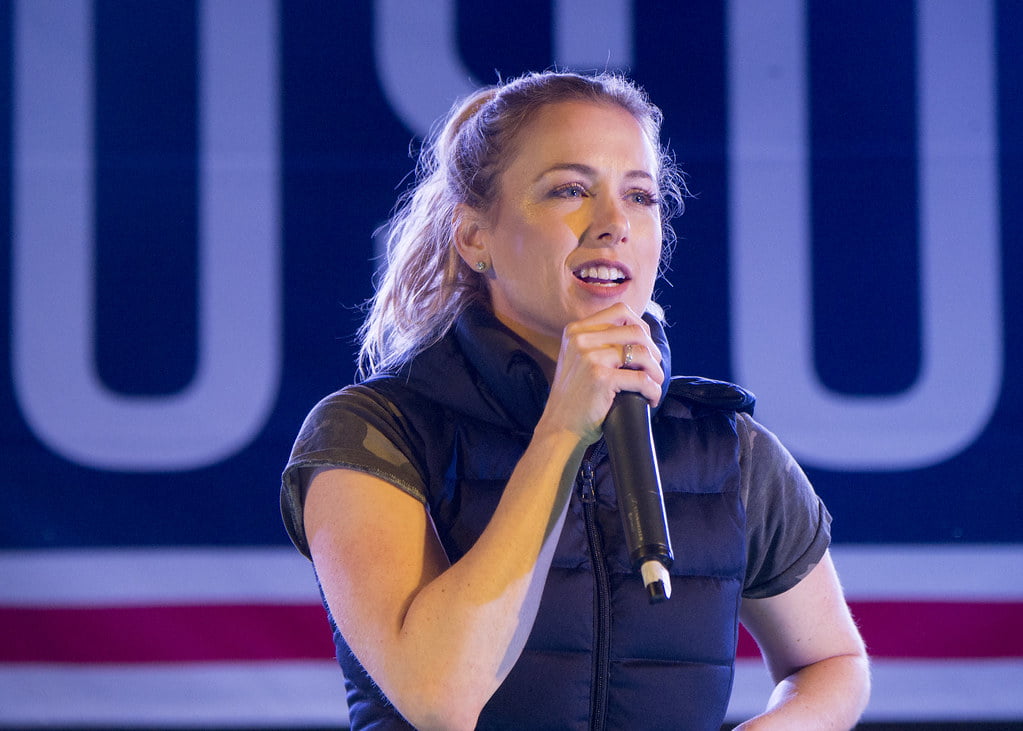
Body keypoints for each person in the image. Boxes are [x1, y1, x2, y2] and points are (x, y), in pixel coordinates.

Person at [281, 70, 870, 730]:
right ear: (474, 237)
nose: (614, 224)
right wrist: (562, 429)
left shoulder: (723, 447)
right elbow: (439, 697)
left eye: (639, 196)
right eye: (569, 190)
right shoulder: (371, 433)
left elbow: (832, 661)